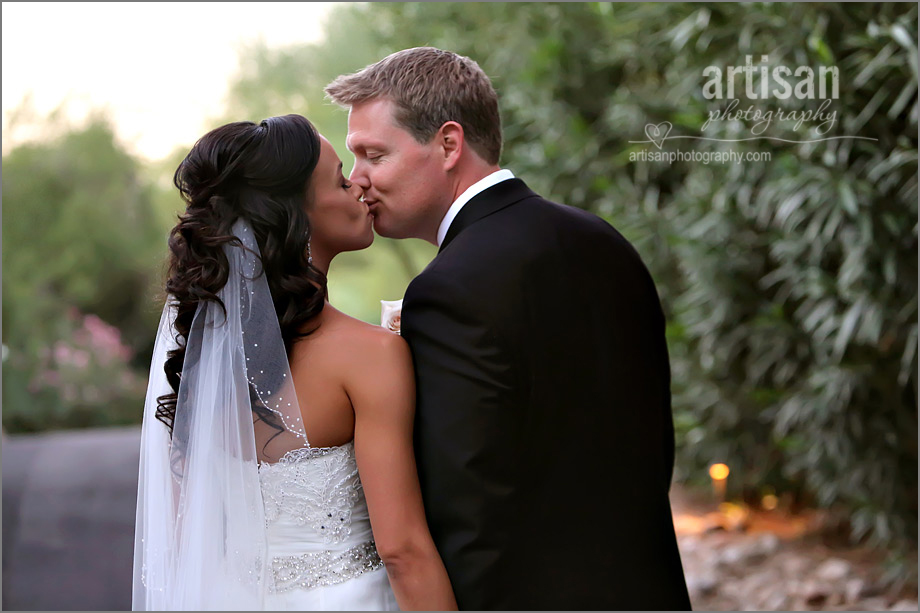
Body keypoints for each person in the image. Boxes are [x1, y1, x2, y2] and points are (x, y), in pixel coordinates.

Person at [326, 47, 692, 610]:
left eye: (374, 155)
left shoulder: (448, 291)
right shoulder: (607, 242)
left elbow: (467, 511)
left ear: (449, 145)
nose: (359, 181)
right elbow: (648, 449)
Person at [132, 114, 457, 611]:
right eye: (341, 181)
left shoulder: (202, 367)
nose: (360, 188)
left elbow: (183, 537)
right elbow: (403, 551)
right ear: (295, 216)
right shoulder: (368, 355)